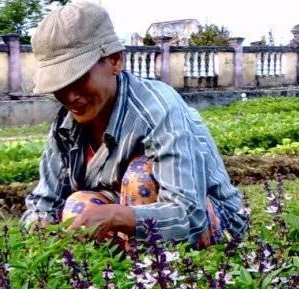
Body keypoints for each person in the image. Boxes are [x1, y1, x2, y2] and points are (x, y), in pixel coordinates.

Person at [21, 2, 247, 247]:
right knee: (80, 206)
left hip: (209, 219)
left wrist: (118, 216)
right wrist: (40, 224)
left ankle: (154, 277)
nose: (69, 96)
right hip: (135, 218)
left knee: (140, 177)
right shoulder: (66, 126)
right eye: (58, 85)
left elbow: (190, 216)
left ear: (115, 61)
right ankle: (122, 276)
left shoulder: (158, 108)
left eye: (78, 78)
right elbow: (43, 204)